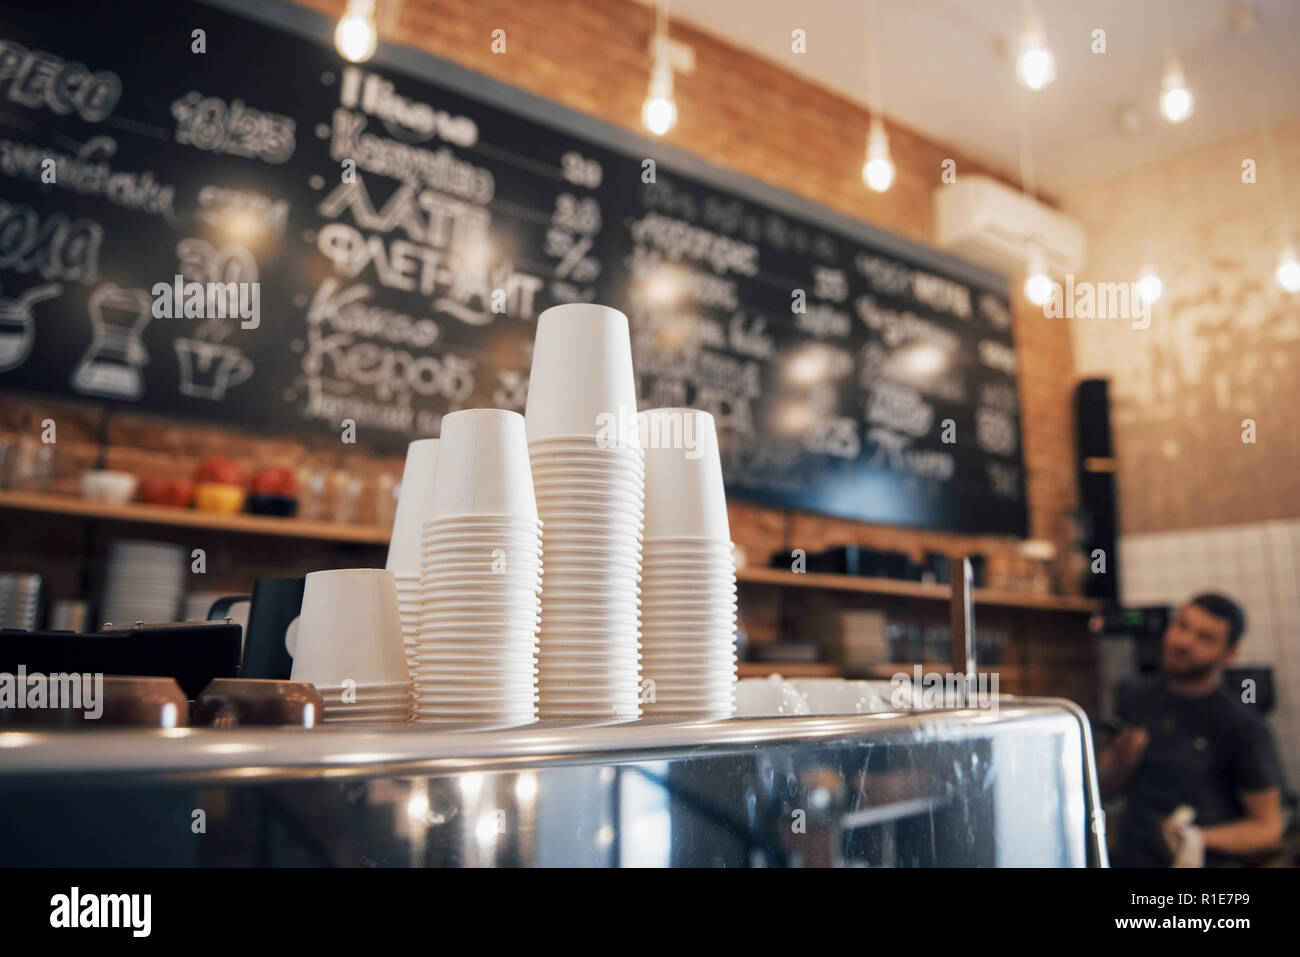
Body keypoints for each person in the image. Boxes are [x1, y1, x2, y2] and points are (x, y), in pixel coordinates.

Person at [1099, 593, 1284, 867]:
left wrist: (1195, 838)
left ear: (1230, 653)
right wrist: (1120, 758)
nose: (1184, 642)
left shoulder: (1243, 726)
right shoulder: (1134, 696)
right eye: (1182, 626)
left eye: (1205, 638)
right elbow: (1105, 789)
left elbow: (1268, 829)